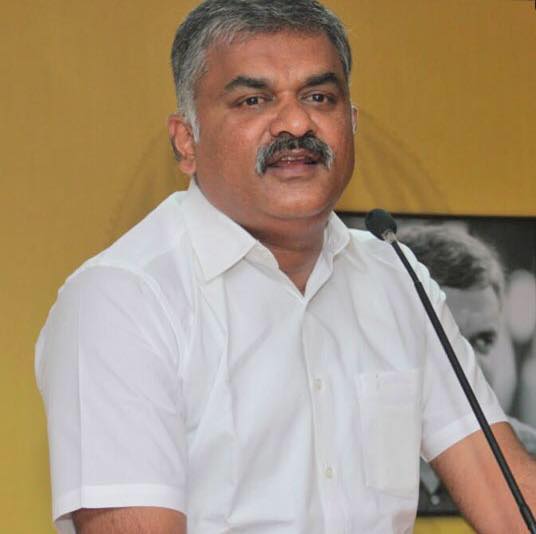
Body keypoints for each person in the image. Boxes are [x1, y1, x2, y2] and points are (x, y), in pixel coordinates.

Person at [35, 1, 536, 533]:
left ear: (352, 123)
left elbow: (508, 499)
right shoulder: (123, 299)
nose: (297, 122)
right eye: (253, 100)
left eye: (319, 97)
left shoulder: (395, 275)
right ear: (187, 141)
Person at [398, 224, 536, 515]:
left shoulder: (530, 457)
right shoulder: (334, 459)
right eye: (447, 341)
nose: (472, 364)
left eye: (484, 340)